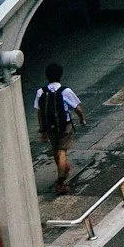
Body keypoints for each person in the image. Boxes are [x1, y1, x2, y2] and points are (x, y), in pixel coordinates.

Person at [35, 63, 83, 195]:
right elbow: (77, 107)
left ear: (46, 76)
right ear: (60, 75)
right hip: (64, 125)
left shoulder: (41, 92)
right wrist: (82, 119)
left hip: (50, 127)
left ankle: (63, 169)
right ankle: (60, 183)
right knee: (62, 151)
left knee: (56, 151)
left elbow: (39, 112)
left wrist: (42, 130)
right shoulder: (65, 91)